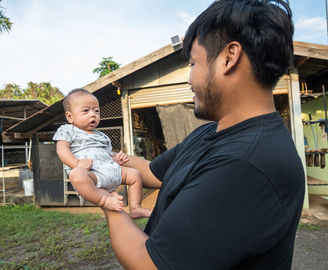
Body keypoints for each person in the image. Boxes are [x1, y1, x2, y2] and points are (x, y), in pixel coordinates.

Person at [100, 0, 305, 269]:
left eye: (194, 63)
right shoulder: (212, 132)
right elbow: (152, 172)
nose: (189, 78)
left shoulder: (246, 165)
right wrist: (99, 159)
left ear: (229, 58)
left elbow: (147, 264)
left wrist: (104, 198)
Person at [53, 88, 152, 219]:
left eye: (96, 111)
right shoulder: (67, 130)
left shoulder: (102, 136)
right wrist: (77, 163)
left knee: (135, 174)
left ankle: (135, 208)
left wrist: (116, 159)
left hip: (110, 170)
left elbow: (107, 154)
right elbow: (62, 150)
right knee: (76, 175)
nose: (93, 114)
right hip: (92, 174)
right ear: (70, 117)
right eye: (85, 111)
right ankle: (105, 199)